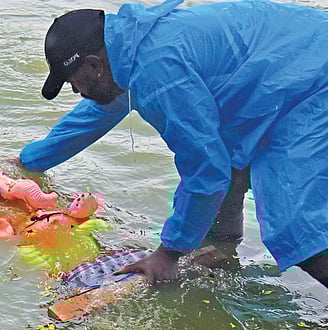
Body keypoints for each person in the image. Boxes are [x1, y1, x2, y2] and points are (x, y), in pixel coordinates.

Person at [16, 0, 328, 287]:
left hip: (312, 82)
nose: (75, 91)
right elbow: (91, 118)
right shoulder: (130, 51)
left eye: (73, 82)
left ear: (95, 66)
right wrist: (26, 163)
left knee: (297, 228)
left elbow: (205, 169)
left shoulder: (159, 72)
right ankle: (220, 263)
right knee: (228, 179)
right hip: (288, 70)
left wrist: (168, 253)